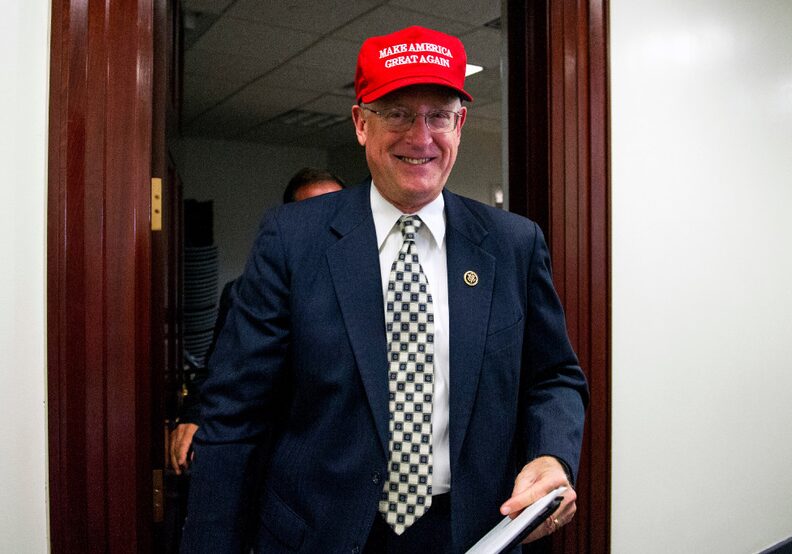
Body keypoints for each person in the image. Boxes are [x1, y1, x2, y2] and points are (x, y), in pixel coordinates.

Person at [181, 25, 588, 553]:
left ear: (459, 124)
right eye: (397, 113)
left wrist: (551, 454)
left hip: (470, 533)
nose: (420, 137)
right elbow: (235, 416)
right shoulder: (293, 239)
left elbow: (554, 376)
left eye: (439, 115)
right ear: (360, 124)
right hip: (320, 536)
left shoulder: (513, 245)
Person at [168, 167, 345, 475]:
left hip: (342, 463)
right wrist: (195, 413)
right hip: (274, 457)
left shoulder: (375, 290)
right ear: (291, 223)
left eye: (335, 212)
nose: (326, 226)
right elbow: (220, 368)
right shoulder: (244, 293)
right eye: (312, 215)